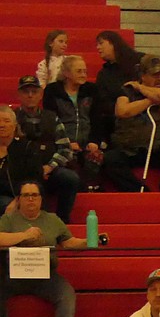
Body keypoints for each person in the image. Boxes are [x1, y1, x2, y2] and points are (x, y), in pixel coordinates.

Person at [0, 179, 95, 317]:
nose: (30, 199)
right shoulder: (8, 219)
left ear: (41, 199)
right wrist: (24, 236)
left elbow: (68, 242)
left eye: (34, 195)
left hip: (45, 276)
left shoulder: (52, 219)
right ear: (18, 199)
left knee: (66, 293)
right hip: (12, 276)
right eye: (26, 195)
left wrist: (90, 241)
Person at [105, 55, 160, 193]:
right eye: (154, 75)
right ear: (143, 75)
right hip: (132, 149)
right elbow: (123, 111)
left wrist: (142, 89)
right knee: (110, 159)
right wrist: (152, 101)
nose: (159, 78)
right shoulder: (127, 90)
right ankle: (139, 190)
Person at [15, 75, 80, 223]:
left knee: (70, 178)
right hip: (21, 173)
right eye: (26, 92)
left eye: (34, 91)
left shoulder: (52, 118)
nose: (30, 95)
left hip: (49, 170)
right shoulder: (11, 119)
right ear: (18, 95)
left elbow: (65, 149)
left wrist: (50, 167)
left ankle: (62, 222)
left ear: (40, 94)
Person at [43, 55, 102, 190]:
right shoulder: (52, 91)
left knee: (96, 158)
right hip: (63, 143)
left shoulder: (91, 90)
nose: (83, 75)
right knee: (69, 161)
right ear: (66, 73)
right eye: (79, 71)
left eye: (85, 71)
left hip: (87, 143)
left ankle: (91, 191)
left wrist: (94, 141)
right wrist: (67, 142)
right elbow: (51, 120)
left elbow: (97, 119)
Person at [92, 30, 143, 151]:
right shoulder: (104, 74)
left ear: (113, 43)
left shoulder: (140, 61)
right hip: (119, 116)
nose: (98, 48)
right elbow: (103, 101)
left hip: (146, 109)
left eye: (101, 43)